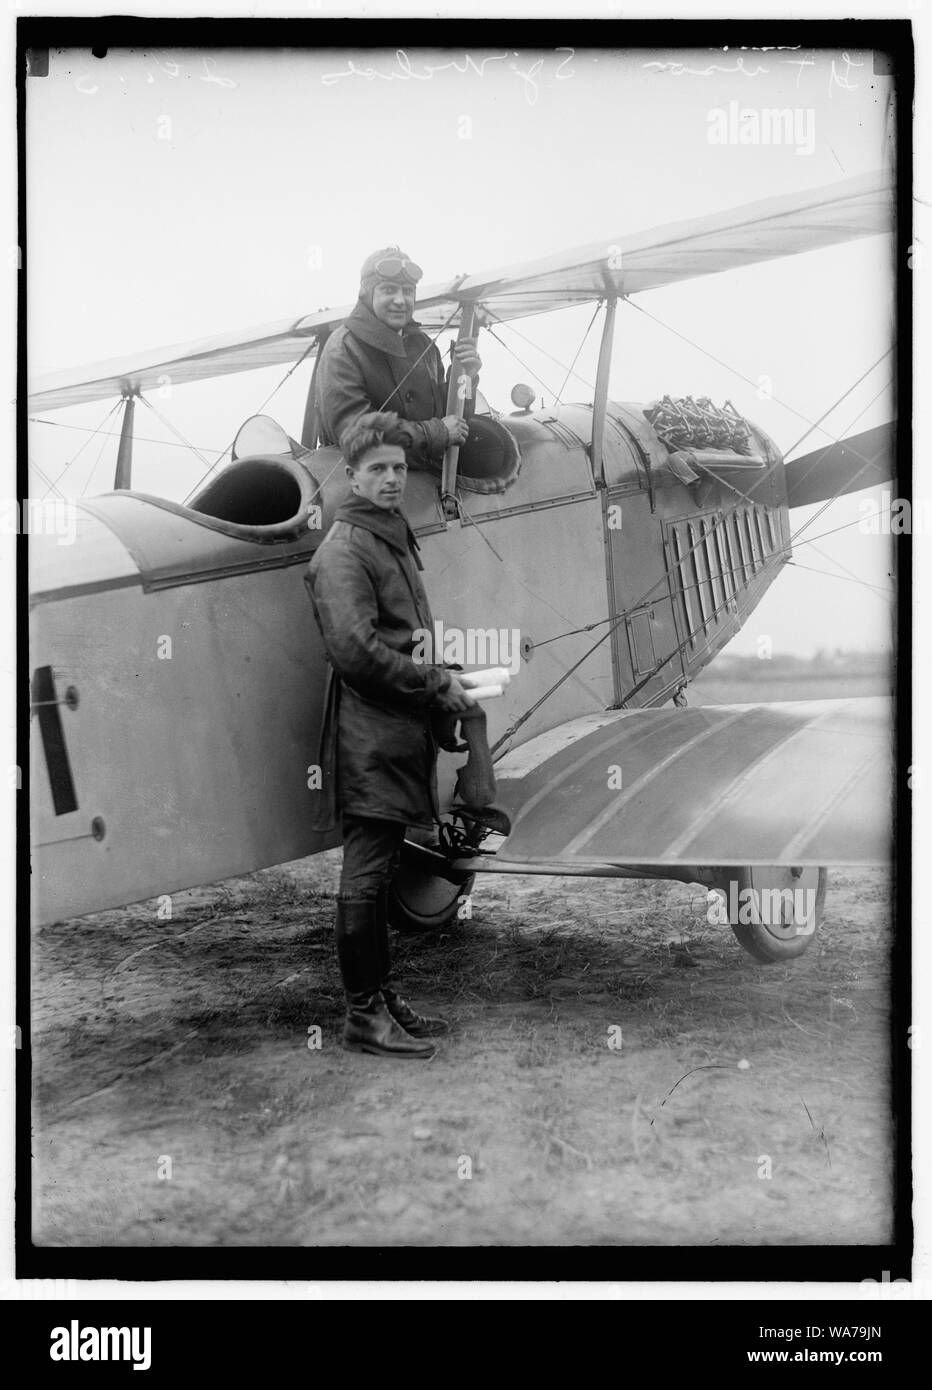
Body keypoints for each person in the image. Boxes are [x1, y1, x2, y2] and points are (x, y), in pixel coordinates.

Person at [304, 410, 474, 1059]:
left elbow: (399, 637)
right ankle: (362, 1015)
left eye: (400, 468)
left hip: (391, 732)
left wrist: (435, 680)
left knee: (377, 871)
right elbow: (357, 653)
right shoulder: (346, 549)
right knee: (368, 873)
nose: (392, 479)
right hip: (369, 737)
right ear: (350, 475)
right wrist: (434, 683)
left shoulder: (387, 537)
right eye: (377, 468)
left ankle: (378, 995)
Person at [314, 246, 482, 468]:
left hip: (426, 486)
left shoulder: (423, 344)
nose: (400, 300)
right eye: (389, 290)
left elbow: (455, 422)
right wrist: (437, 433)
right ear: (368, 293)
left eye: (408, 291)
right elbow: (358, 437)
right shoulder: (343, 348)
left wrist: (465, 377)